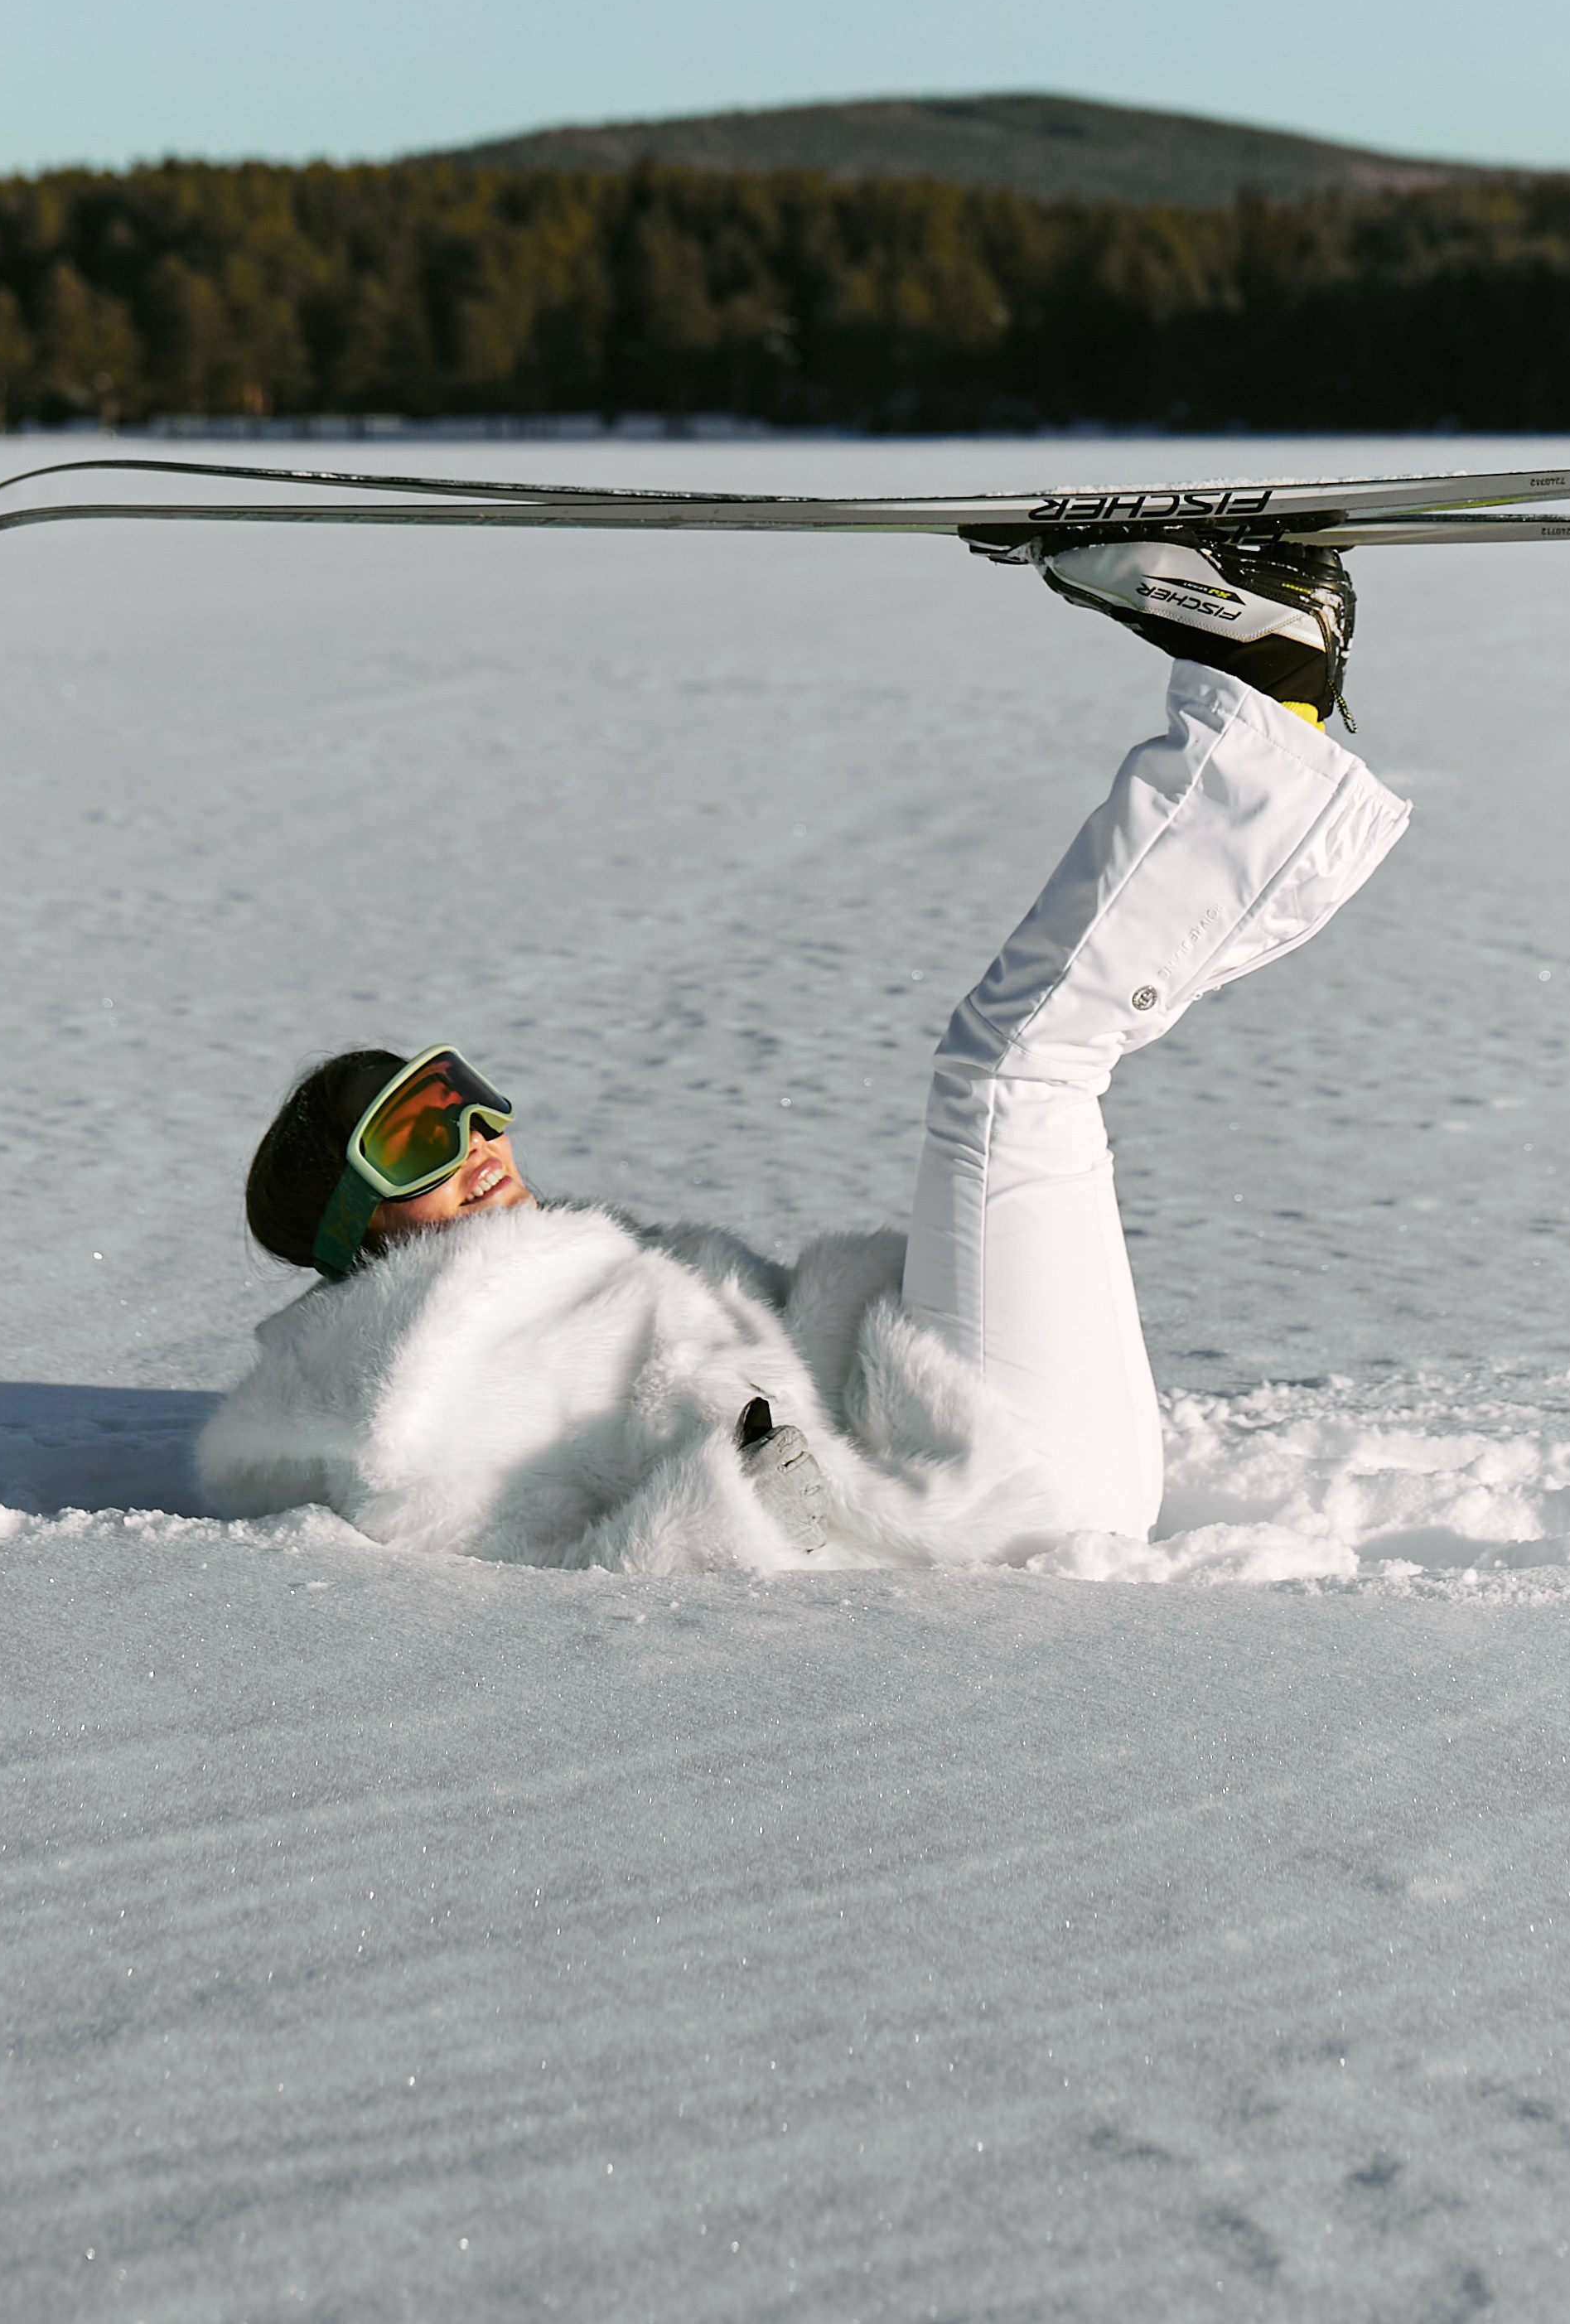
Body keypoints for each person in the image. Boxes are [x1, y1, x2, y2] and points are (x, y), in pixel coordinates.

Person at [197, 535, 1408, 1570]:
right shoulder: (405, 1387)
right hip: (991, 1498)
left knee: (1035, 1067)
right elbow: (560, 1546)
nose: (476, 1142)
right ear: (359, 1230)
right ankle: (1259, 695)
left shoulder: (524, 1296)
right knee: (1008, 1074)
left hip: (974, 1433)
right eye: (418, 1136)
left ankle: (1268, 718)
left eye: (463, 1101)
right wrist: (787, 1511)